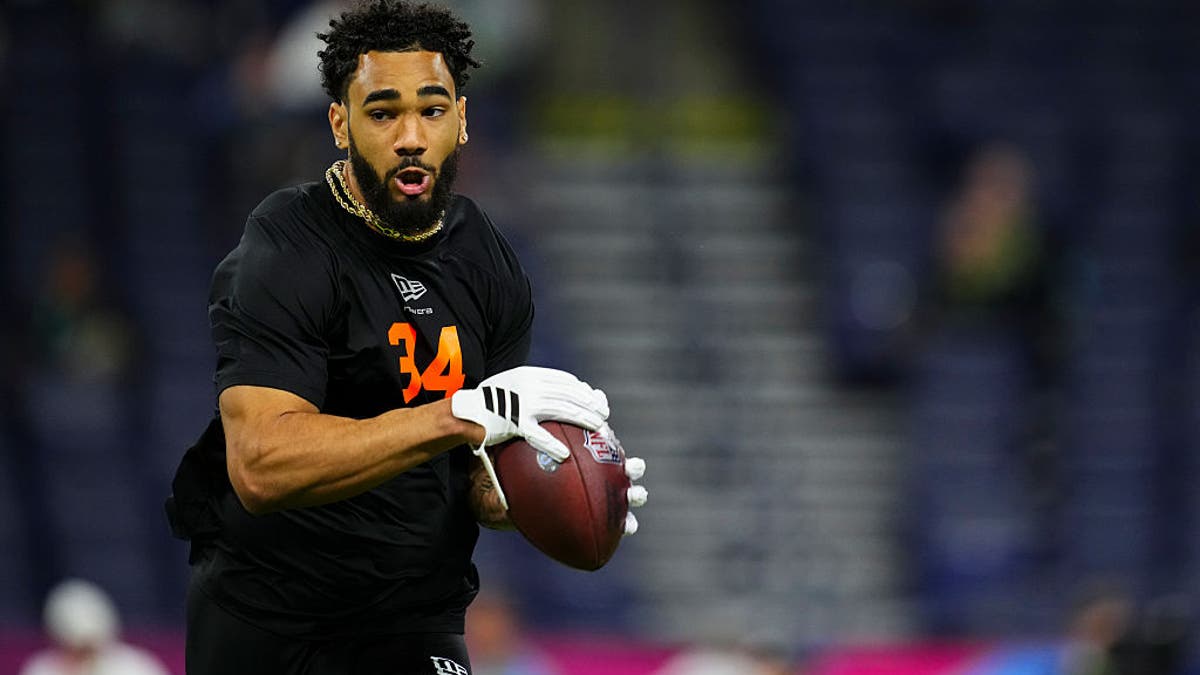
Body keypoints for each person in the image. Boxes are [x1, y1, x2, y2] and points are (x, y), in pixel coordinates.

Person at [165, 2, 647, 674]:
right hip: (277, 624)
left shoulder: (489, 264)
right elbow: (260, 464)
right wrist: (451, 414)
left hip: (416, 620)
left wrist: (552, 481)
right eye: (384, 112)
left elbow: (470, 478)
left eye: (432, 108)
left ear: (463, 119)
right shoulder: (288, 246)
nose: (411, 136)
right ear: (340, 122)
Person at [19, 579, 170, 675]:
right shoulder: (40, 669)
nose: (84, 656)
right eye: (76, 648)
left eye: (89, 647)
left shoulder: (136, 667)